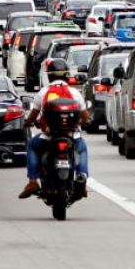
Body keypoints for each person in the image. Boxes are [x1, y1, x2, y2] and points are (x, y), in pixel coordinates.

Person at [19, 64, 89, 199]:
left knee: (32, 145)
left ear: (49, 76)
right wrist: (84, 122)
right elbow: (85, 116)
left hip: (48, 137)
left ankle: (33, 181)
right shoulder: (75, 93)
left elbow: (34, 114)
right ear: (67, 75)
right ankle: (82, 177)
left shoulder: (43, 92)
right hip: (72, 136)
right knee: (82, 149)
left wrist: (28, 122)